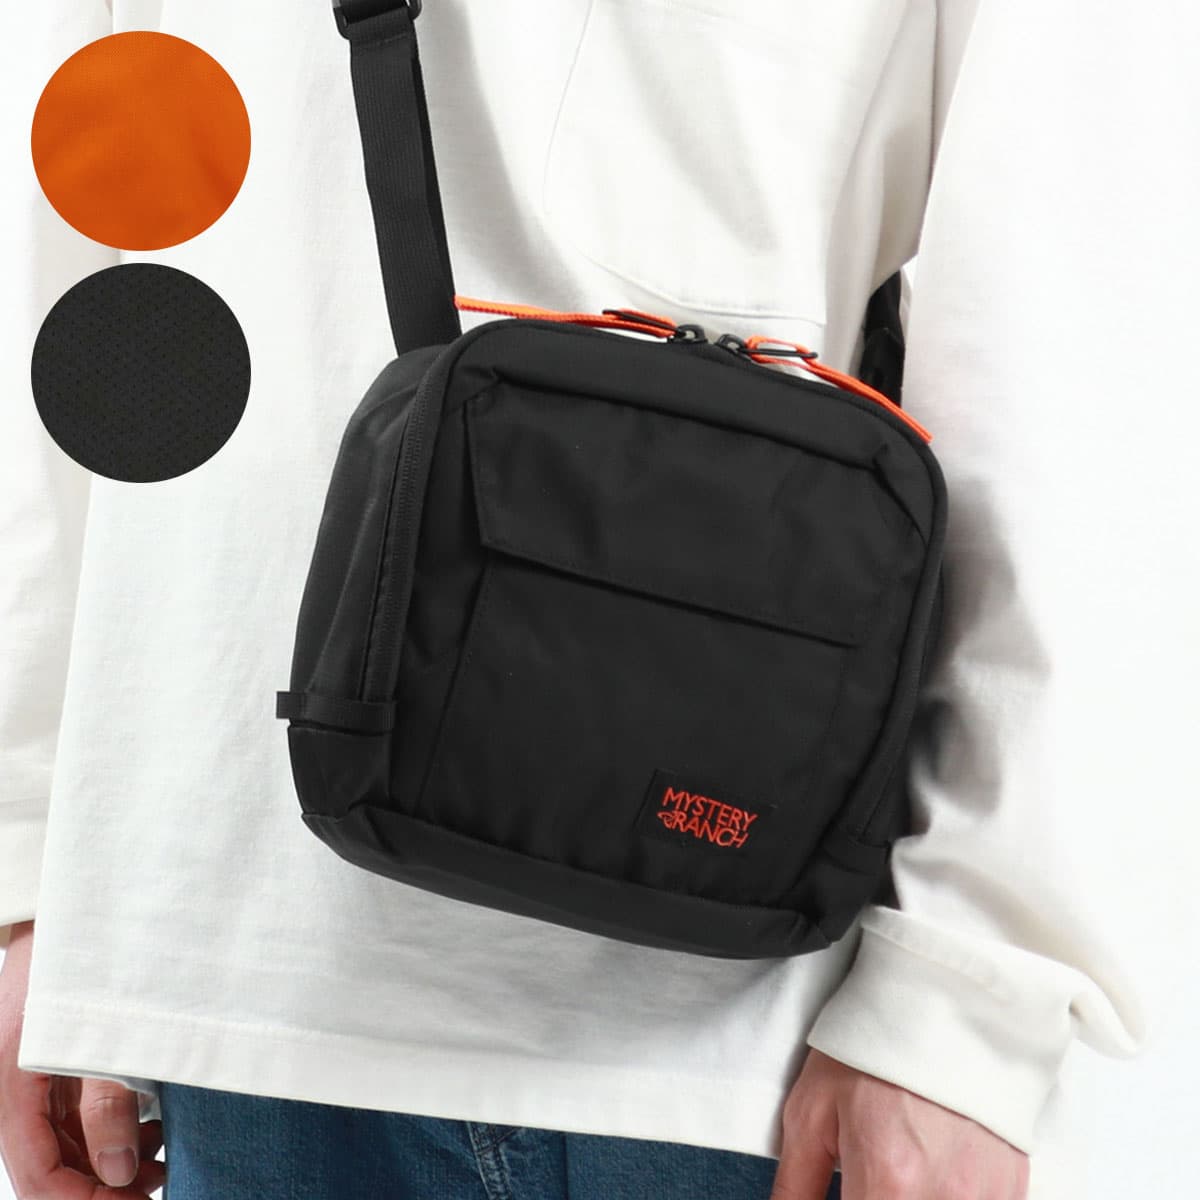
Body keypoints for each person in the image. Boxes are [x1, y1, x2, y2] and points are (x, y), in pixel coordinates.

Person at [3, 1, 1193, 1197]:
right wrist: (34, 860)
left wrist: (963, 1007)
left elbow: (1075, 303)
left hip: (706, 1045)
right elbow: (63, 227)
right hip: (223, 971)